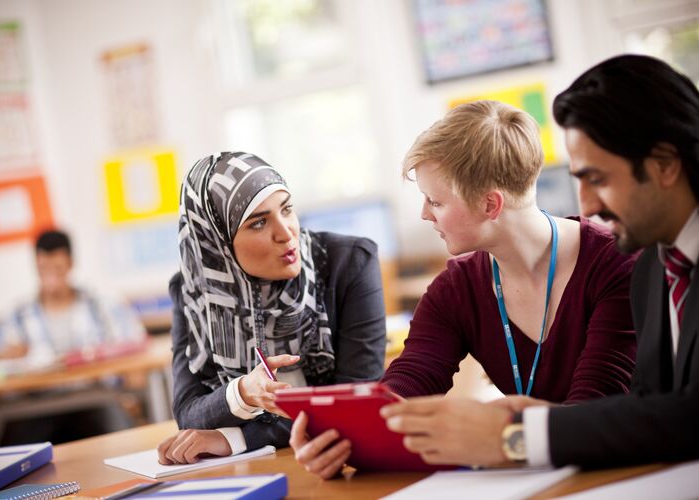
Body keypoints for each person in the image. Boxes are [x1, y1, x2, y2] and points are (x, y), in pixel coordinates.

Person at [380, 54, 699, 469]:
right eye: (579, 179)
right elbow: (652, 410)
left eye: (597, 179)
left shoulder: (626, 262)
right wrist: (357, 430)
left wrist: (514, 435)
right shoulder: (658, 266)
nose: (586, 204)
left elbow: (662, 413)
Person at [290, 100, 638, 478]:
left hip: (618, 473)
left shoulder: (615, 265)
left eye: (435, 200)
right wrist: (348, 438)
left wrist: (494, 433)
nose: (425, 213)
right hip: (533, 475)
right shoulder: (454, 288)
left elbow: (593, 408)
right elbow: (408, 383)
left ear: (491, 204)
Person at [157, 152, 386, 465]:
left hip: (344, 462)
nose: (286, 232)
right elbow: (188, 411)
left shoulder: (350, 262)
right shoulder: (195, 289)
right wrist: (244, 392)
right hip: (264, 468)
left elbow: (352, 403)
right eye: (259, 222)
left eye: (287, 209)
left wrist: (237, 437)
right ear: (217, 242)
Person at [0, 229, 147, 444]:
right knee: (9, 446)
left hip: (94, 398)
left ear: (70, 264)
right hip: (38, 405)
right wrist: (6, 355)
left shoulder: (100, 305)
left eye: (58, 268)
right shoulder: (19, 313)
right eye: (44, 269)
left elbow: (134, 342)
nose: (51, 277)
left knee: (123, 440)